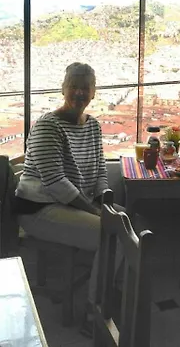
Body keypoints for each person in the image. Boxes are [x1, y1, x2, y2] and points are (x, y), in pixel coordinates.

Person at [15, 62, 121, 337]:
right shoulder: (48, 126)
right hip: (39, 209)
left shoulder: (93, 126)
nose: (79, 93)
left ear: (94, 92)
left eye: (85, 87)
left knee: (127, 221)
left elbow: (99, 171)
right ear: (63, 89)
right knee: (111, 234)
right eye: (73, 86)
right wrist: (96, 212)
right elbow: (55, 183)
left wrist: (105, 203)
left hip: (72, 205)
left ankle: (109, 292)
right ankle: (95, 313)